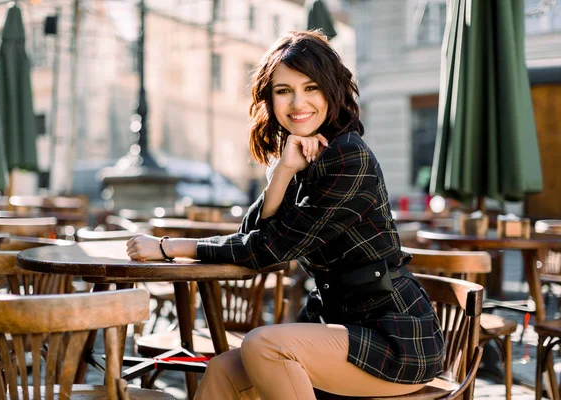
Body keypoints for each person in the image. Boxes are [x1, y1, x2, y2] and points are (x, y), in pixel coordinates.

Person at [127, 30, 444, 399]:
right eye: (283, 91)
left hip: (395, 341)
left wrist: (169, 247)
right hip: (342, 328)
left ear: (332, 91)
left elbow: (266, 249)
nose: (298, 103)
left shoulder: (347, 157)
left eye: (311, 88)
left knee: (264, 345)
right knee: (221, 370)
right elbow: (252, 232)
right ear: (270, 99)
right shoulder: (304, 158)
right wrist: (282, 171)